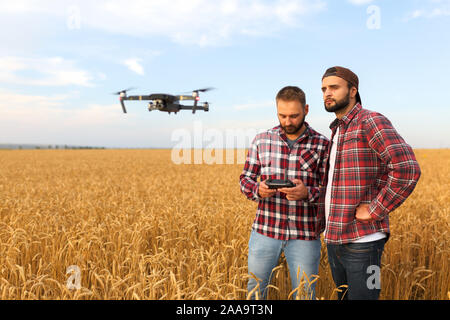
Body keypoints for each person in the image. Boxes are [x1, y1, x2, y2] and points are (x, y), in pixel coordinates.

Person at [320, 66, 421, 300]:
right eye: (324, 89)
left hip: (364, 242)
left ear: (353, 90)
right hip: (335, 239)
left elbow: (407, 169)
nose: (327, 93)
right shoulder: (337, 131)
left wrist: (375, 210)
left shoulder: (371, 121)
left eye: (334, 87)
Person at [239, 86, 329, 299]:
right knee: (255, 293)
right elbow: (245, 179)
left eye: (294, 116)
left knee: (305, 294)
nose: (288, 121)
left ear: (306, 110)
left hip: (305, 235)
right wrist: (258, 190)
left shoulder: (323, 144)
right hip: (264, 231)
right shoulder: (262, 140)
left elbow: (330, 191)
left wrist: (307, 193)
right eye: (283, 115)